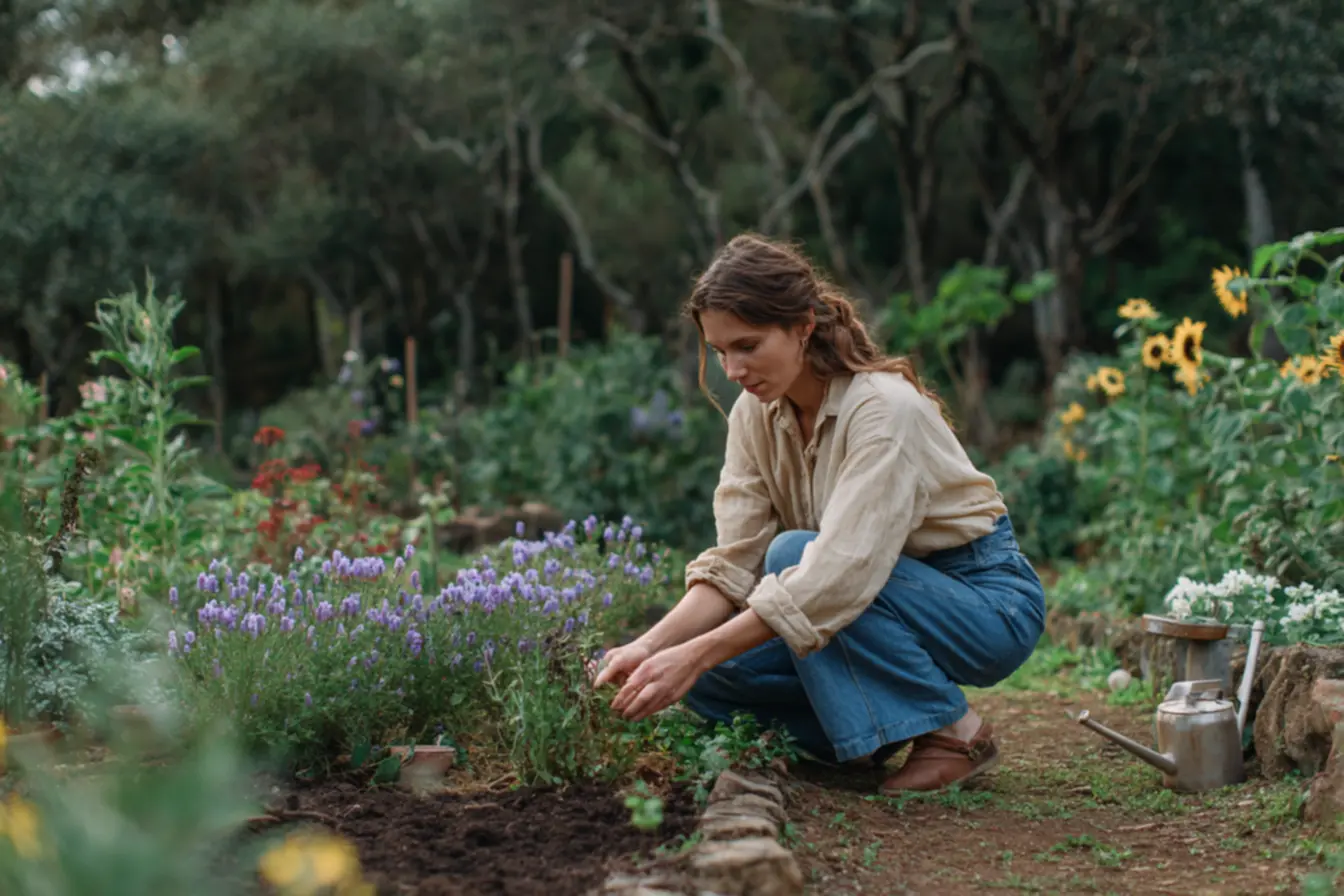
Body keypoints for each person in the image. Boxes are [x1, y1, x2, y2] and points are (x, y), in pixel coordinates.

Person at [593, 233, 1046, 793]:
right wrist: (650, 649)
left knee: (791, 556)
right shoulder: (754, 416)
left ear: (803, 326)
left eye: (748, 345)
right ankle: (864, 739)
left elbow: (838, 573)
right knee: (710, 679)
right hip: (868, 603)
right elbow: (734, 566)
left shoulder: (882, 410)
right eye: (719, 351)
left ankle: (956, 732)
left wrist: (693, 653)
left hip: (982, 603)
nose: (732, 369)